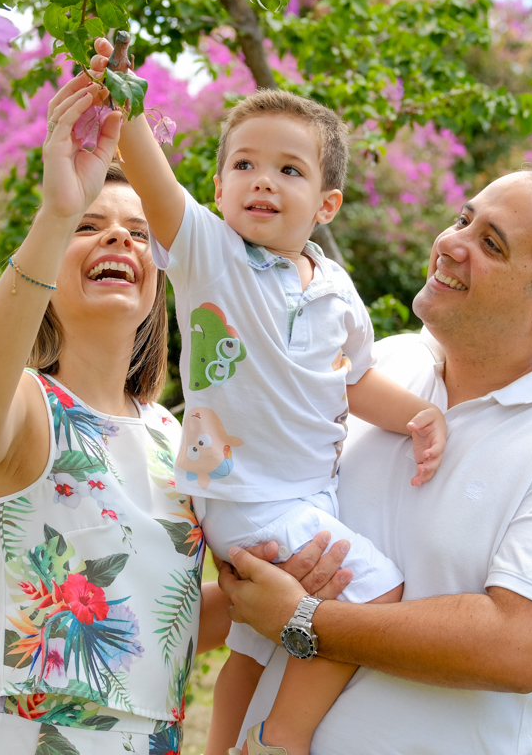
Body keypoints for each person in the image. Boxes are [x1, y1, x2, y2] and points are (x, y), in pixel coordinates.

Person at [87, 38, 446, 755]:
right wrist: (125, 102)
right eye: (244, 166)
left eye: (289, 170)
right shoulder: (211, 255)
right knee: (377, 595)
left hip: (305, 496)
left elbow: (353, 380)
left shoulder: (336, 290)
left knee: (255, 649)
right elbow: (155, 181)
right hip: (247, 496)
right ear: (218, 190)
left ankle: (223, 745)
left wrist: (418, 416)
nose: (263, 182)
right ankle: (283, 737)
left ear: (327, 204)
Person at [220, 151, 532, 754]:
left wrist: (304, 619)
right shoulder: (380, 370)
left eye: (491, 244)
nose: (450, 243)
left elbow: (519, 646)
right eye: (463, 219)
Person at [0, 75, 230, 755]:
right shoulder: (28, 405)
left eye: (139, 233)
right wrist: (57, 210)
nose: (118, 240)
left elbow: (176, 613)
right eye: (90, 228)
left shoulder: (180, 438)